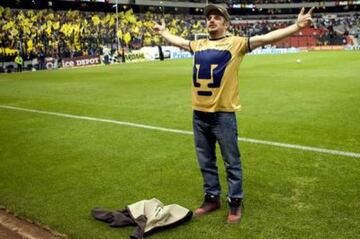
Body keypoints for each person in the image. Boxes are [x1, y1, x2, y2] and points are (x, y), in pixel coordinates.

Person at [152, 4, 314, 224]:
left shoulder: (236, 43)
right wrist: (163, 33)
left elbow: (265, 38)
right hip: (199, 114)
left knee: (232, 162)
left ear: (226, 24)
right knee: (205, 161)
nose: (211, 20)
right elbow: (179, 41)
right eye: (209, 17)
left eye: (217, 18)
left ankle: (235, 202)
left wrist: (296, 26)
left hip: (223, 115)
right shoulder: (198, 44)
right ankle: (211, 198)